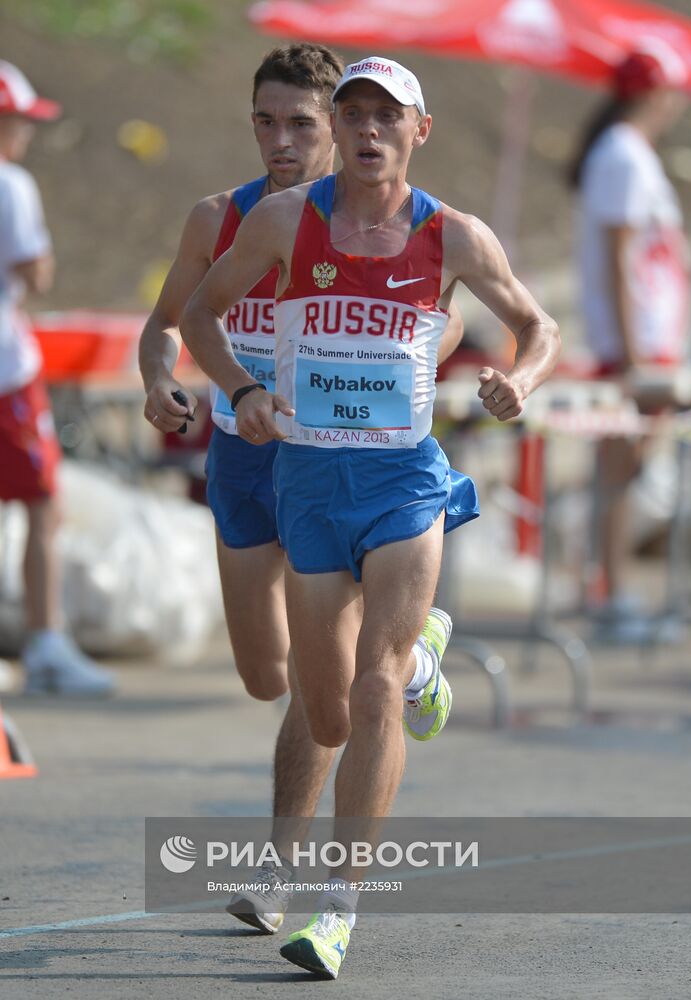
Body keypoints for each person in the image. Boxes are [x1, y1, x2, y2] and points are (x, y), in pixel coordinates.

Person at [181, 55, 560, 979]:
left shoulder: (455, 236)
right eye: (353, 113)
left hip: (402, 484)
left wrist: (522, 381)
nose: (367, 129)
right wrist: (242, 388)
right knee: (323, 712)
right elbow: (200, 314)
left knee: (374, 689)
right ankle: (429, 654)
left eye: (387, 116)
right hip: (306, 486)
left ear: (417, 131)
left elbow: (536, 324)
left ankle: (337, 909)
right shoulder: (281, 221)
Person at [139, 44, 465, 935]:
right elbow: (170, 320)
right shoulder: (228, 217)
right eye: (264, 123)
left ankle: (294, 876)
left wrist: (404, 361)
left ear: (339, 128)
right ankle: (411, 668)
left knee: (358, 680)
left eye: (301, 125)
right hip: (249, 449)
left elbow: (446, 299)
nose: (281, 142)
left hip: (346, 454)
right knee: (270, 676)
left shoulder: (383, 218)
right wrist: (162, 382)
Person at [0, 60, 114, 696]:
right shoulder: (11, 184)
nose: (24, 134)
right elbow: (36, 271)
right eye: (17, 122)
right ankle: (45, 639)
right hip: (5, 372)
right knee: (42, 503)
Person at [569, 44, 690, 638]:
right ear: (653, 94)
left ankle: (602, 585)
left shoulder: (627, 152)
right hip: (633, 344)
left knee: (627, 471)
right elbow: (620, 259)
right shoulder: (622, 154)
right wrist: (634, 354)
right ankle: (607, 593)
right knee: (622, 471)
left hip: (644, 339)